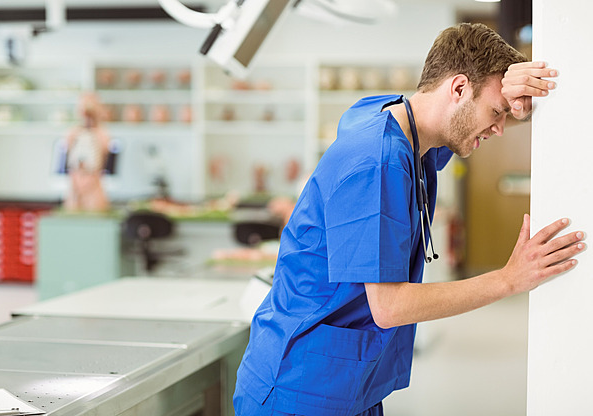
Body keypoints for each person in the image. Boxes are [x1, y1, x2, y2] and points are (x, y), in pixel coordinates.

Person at [232, 23, 586, 416]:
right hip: (301, 388)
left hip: (346, 382)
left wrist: (520, 101)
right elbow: (390, 305)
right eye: (496, 112)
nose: (501, 128)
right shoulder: (376, 161)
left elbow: (456, 120)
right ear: (457, 88)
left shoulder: (398, 125)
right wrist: (509, 278)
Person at [64, 92, 111, 212]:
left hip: (94, 183)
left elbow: (103, 157)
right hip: (75, 184)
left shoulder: (102, 134)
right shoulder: (73, 133)